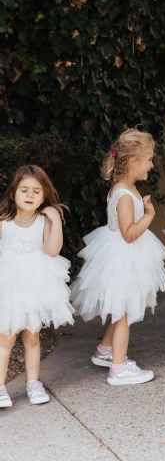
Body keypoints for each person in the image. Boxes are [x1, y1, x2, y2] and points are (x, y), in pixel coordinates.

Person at [70, 129, 165, 386]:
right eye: (148, 159)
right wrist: (147, 216)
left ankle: (105, 350)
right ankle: (119, 368)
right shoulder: (124, 194)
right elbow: (128, 234)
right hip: (123, 257)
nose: (151, 164)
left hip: (120, 255)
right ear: (133, 162)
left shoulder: (126, 188)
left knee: (119, 309)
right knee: (123, 312)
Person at [0, 165, 74, 407]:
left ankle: (33, 383)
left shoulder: (43, 221)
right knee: (6, 337)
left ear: (44, 196)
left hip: (34, 286)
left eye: (36, 191)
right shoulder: (3, 221)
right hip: (8, 286)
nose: (30, 195)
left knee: (32, 336)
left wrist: (55, 221)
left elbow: (52, 251)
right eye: (24, 190)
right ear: (13, 193)